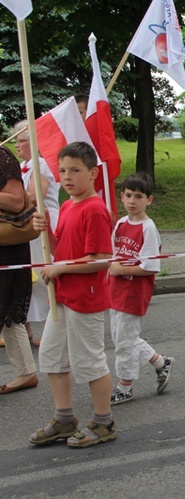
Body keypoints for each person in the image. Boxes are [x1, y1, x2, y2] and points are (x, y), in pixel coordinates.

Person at [29, 142, 116, 447]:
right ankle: (64, 418)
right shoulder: (67, 206)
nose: (67, 176)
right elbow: (59, 248)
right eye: (63, 170)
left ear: (92, 173)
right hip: (63, 295)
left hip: (86, 298)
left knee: (90, 361)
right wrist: (45, 231)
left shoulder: (94, 209)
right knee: (53, 356)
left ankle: (104, 422)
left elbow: (102, 258)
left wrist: (61, 268)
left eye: (75, 170)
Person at [109, 172, 174, 405]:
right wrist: (112, 269)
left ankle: (125, 386)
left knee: (124, 342)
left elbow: (151, 267)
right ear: (121, 196)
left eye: (138, 196)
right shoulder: (120, 224)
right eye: (128, 195)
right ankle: (160, 362)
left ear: (149, 200)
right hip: (115, 291)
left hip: (134, 293)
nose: (132, 201)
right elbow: (113, 255)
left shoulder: (148, 228)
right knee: (121, 338)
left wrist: (118, 269)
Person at [13, 121, 60, 347]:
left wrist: (8, 199)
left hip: (43, 225)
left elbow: (34, 196)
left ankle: (56, 328)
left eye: (20, 141)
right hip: (30, 227)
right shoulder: (26, 167)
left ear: (33, 143)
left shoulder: (40, 165)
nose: (16, 145)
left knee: (44, 278)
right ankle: (27, 330)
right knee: (27, 279)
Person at [0, 146, 38, 395]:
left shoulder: (2, 158)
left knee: (7, 307)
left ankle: (27, 372)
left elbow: (15, 201)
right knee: (8, 313)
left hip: (7, 249)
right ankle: (26, 372)